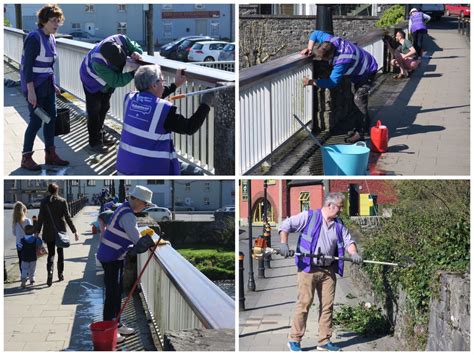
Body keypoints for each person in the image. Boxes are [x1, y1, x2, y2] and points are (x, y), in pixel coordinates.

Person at [278, 193, 362, 352]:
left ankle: (324, 341)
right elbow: (286, 224)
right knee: (304, 304)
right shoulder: (309, 217)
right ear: (330, 205)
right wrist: (283, 243)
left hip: (328, 270)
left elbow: (348, 241)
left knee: (327, 306)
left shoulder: (338, 224)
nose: (341, 210)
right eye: (340, 207)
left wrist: (354, 253)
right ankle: (294, 339)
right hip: (308, 268)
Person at [116, 65, 215, 175]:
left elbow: (151, 99)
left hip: (124, 167)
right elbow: (189, 127)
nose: (164, 84)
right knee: (197, 173)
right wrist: (206, 103)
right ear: (154, 85)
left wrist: (175, 85)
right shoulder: (163, 109)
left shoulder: (129, 98)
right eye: (162, 81)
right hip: (149, 170)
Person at [96, 185, 160, 343]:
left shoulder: (124, 209)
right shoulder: (128, 215)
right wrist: (154, 242)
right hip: (111, 257)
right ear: (136, 199)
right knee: (112, 294)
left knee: (116, 292)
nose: (145, 206)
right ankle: (110, 329)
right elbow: (137, 241)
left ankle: (116, 324)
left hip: (113, 256)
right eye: (145, 203)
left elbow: (131, 237)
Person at [301, 30, 378, 143]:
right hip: (360, 70)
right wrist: (309, 48)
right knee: (358, 99)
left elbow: (332, 82)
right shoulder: (330, 41)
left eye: (325, 59)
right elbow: (315, 34)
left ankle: (360, 133)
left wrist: (311, 82)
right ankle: (364, 125)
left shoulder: (342, 60)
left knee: (359, 100)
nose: (323, 61)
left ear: (331, 55)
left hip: (368, 71)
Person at [20, 4, 69, 171]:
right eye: (53, 21)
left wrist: (53, 84)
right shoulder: (34, 38)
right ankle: (26, 157)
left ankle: (50, 154)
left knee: (51, 119)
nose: (56, 24)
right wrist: (31, 92)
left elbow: (48, 65)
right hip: (34, 87)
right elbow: (27, 67)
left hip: (47, 86)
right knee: (36, 121)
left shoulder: (52, 37)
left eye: (58, 21)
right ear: (43, 21)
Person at [80, 34, 144, 153]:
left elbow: (135, 46)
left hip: (107, 79)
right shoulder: (98, 62)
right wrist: (133, 73)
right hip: (91, 80)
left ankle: (101, 135)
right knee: (94, 110)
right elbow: (115, 80)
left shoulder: (121, 39)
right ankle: (95, 143)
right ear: (108, 61)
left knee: (104, 107)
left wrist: (136, 52)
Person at [36, 183, 79, 287]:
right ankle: (60, 274)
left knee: (51, 254)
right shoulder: (62, 201)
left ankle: (50, 273)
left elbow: (40, 218)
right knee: (60, 253)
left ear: (48, 190)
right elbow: (68, 217)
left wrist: (37, 231)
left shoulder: (44, 202)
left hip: (48, 231)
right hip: (60, 231)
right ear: (57, 190)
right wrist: (75, 231)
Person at [12, 202, 33, 275]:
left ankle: (23, 275)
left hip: (19, 244)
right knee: (29, 259)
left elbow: (14, 233)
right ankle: (29, 274)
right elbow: (31, 232)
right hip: (28, 243)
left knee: (21, 260)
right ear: (24, 210)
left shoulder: (15, 222)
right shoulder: (27, 221)